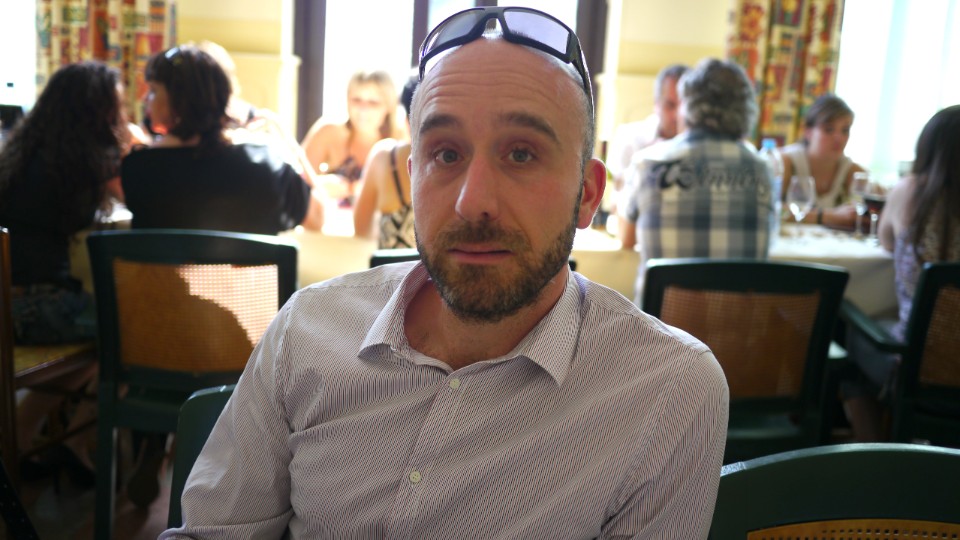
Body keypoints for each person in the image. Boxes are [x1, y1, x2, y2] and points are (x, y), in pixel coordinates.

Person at [161, 7, 728, 539]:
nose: (471, 202)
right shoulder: (307, 331)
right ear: (412, 178)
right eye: (446, 155)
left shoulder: (667, 392)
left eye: (522, 154)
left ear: (588, 194)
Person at [0, 61, 130, 485]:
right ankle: (74, 441)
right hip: (40, 308)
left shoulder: (20, 154)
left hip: (6, 305)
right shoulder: (88, 162)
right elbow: (135, 198)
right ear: (100, 111)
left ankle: (20, 437)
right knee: (129, 334)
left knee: (96, 347)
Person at [842, 104, 960, 441]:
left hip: (918, 368)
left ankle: (879, 455)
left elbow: (887, 242)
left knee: (848, 336)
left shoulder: (910, 191)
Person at [620, 58, 777, 304]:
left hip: (663, 327)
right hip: (738, 327)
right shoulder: (763, 169)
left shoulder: (649, 164)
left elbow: (627, 240)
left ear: (687, 104)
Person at [121, 45, 323, 234]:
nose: (145, 98)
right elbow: (317, 219)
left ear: (179, 100)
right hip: (244, 263)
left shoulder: (137, 169)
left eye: (153, 90)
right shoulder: (265, 165)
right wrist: (290, 145)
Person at [300, 70, 405, 208]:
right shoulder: (329, 132)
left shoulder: (402, 140)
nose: (363, 109)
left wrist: (351, 189)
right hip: (332, 220)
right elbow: (295, 181)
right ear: (347, 101)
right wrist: (317, 184)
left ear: (389, 106)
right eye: (356, 100)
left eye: (373, 102)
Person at [780, 94, 866, 229]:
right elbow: (769, 210)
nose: (839, 138)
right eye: (829, 129)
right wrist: (829, 216)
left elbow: (868, 215)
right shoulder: (785, 162)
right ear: (808, 132)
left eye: (845, 130)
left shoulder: (853, 172)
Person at [353, 75, 418, 248]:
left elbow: (361, 228)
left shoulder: (385, 156)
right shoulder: (461, 162)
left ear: (407, 118)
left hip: (391, 266)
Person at [607, 64, 688, 190]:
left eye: (683, 106)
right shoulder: (628, 138)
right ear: (656, 104)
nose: (676, 115)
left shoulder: (702, 146)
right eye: (670, 105)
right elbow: (619, 191)